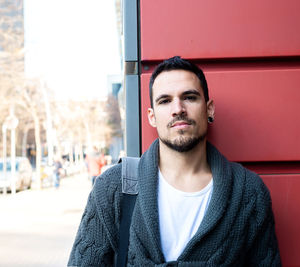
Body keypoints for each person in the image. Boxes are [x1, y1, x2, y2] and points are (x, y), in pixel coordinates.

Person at [68, 56, 281, 266]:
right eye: (165, 100)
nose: (178, 108)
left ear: (209, 109)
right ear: (152, 116)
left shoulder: (248, 192)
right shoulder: (113, 187)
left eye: (189, 97)